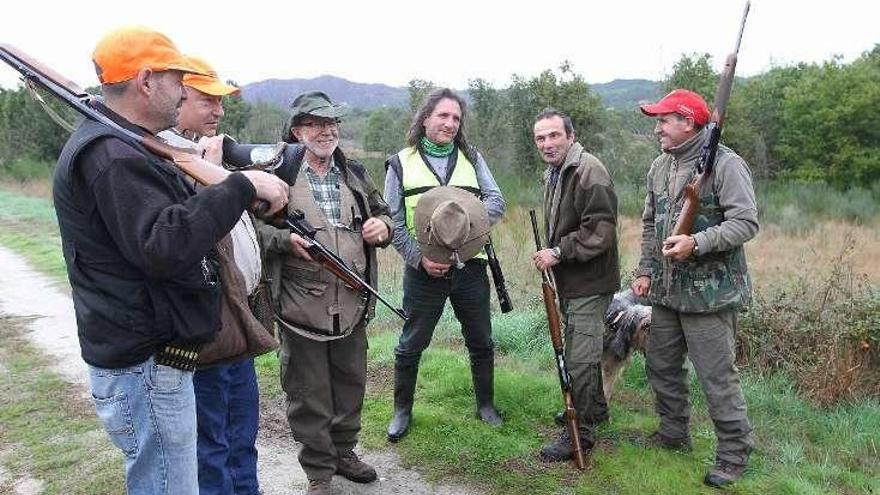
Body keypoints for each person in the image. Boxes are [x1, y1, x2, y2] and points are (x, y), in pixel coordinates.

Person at [51, 27, 288, 495]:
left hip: (151, 359)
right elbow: (165, 245)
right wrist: (241, 186)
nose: (184, 90)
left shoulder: (127, 144)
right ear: (145, 80)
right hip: (145, 365)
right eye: (177, 79)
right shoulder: (113, 154)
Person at [255, 91, 392, 495]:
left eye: (331, 124)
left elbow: (385, 214)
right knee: (308, 391)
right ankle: (319, 471)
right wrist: (283, 241)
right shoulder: (275, 175)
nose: (326, 131)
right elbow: (252, 228)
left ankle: (345, 454)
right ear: (297, 131)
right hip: (300, 305)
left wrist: (381, 228)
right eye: (315, 124)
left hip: (352, 301)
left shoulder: (355, 173)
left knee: (351, 382)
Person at [157, 56, 277, 495]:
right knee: (210, 435)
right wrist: (213, 179)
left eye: (221, 101)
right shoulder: (159, 153)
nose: (219, 111)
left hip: (237, 313)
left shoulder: (203, 151)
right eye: (208, 99)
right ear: (177, 95)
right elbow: (181, 234)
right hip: (203, 322)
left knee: (242, 427)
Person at [633, 89, 758, 488]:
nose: (657, 129)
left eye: (663, 121)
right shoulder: (659, 167)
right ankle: (673, 435)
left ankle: (734, 455)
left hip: (711, 296)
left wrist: (697, 243)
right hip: (667, 293)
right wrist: (645, 269)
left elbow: (746, 223)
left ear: (688, 122)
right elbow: (651, 222)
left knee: (716, 378)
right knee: (661, 367)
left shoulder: (727, 164)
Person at [384, 88, 506, 443]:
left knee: (481, 339)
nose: (450, 123)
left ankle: (485, 406)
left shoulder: (472, 156)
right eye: (443, 116)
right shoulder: (400, 162)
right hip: (423, 271)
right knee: (411, 343)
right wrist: (418, 258)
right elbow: (392, 219)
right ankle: (402, 411)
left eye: (456, 118)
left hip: (471, 268)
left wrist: (470, 229)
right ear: (425, 119)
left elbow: (496, 200)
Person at [530, 108, 620, 462]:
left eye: (554, 135)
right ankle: (595, 410)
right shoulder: (555, 172)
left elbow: (601, 232)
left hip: (590, 282)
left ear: (570, 135)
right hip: (571, 280)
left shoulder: (589, 171)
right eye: (541, 138)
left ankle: (579, 431)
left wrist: (557, 251)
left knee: (579, 359)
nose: (548, 143)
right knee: (581, 351)